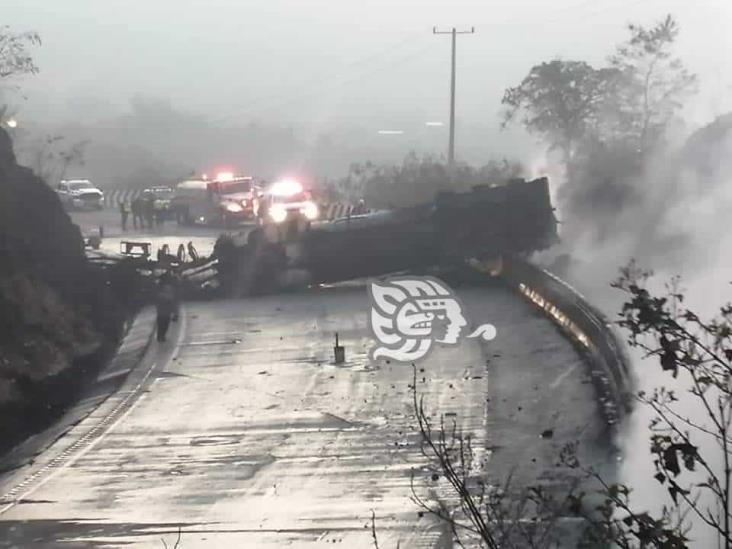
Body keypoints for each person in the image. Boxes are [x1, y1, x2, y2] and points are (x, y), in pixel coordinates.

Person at [155, 272, 177, 342]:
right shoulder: (159, 287)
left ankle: (161, 335)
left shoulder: (168, 288)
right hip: (163, 309)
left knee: (163, 323)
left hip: (164, 310)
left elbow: (172, 300)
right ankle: (161, 335)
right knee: (163, 323)